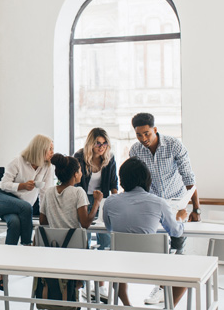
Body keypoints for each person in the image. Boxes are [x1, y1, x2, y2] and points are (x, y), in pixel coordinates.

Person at [129, 112, 200, 305]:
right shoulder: (135, 150)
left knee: (177, 245)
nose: (143, 139)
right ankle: (161, 285)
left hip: (177, 202)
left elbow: (189, 178)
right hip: (152, 203)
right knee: (158, 247)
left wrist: (196, 208)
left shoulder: (173, 145)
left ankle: (167, 289)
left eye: (147, 134)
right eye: (139, 135)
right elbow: (136, 181)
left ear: (155, 130)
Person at [101, 157, 188, 307]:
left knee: (119, 264)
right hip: (153, 265)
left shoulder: (110, 202)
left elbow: (110, 229)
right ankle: (169, 307)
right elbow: (175, 232)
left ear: (122, 179)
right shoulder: (159, 202)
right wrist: (180, 219)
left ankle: (127, 306)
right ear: (147, 179)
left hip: (120, 263)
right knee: (187, 273)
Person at [0, 134, 55, 291]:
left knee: (15, 223)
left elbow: (45, 192)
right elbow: (4, 184)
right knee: (26, 207)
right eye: (50, 149)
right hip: (0, 198)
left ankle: (3, 274)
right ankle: (27, 245)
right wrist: (21, 186)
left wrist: (46, 215)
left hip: (19, 210)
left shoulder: (48, 167)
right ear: (40, 149)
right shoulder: (18, 161)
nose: (52, 152)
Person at [73, 128, 118, 250]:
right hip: (83, 198)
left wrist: (114, 200)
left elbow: (114, 183)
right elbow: (74, 182)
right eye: (98, 143)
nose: (101, 147)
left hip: (102, 199)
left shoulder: (109, 158)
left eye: (104, 143)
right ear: (91, 143)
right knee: (84, 234)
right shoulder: (79, 157)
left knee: (105, 236)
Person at [39, 153, 100, 229]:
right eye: (80, 170)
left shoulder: (49, 192)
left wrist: (58, 219)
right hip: (74, 240)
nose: (81, 174)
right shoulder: (78, 192)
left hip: (54, 240)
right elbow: (85, 224)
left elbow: (42, 221)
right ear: (75, 174)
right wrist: (97, 201)